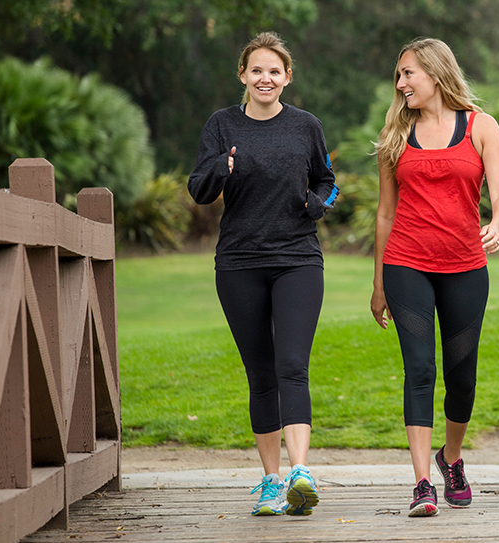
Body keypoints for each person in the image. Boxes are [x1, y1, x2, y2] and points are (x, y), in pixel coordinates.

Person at [187, 31, 338, 517]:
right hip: (239, 263)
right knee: (261, 374)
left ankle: (300, 473)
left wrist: (316, 204)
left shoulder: (306, 126)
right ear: (243, 76)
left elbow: (327, 181)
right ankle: (271, 482)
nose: (265, 78)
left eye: (274, 70)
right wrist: (222, 169)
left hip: (297, 259)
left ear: (287, 77)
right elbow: (198, 189)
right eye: (256, 70)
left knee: (293, 364)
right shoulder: (221, 125)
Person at [370, 37, 499, 517]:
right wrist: (377, 285)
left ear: (435, 73)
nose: (401, 82)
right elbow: (385, 214)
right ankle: (422, 484)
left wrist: (496, 223)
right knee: (420, 369)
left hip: (465, 266)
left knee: (461, 375)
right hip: (406, 263)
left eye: (408, 73)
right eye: (399, 75)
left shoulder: (480, 126)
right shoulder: (395, 131)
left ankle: (450, 459)